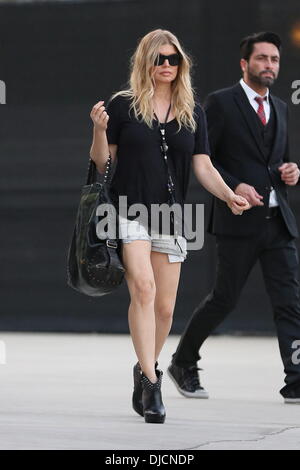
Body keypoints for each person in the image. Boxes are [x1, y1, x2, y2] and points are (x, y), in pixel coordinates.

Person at [89, 29, 249, 424]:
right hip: (128, 210)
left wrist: (228, 195)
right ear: (145, 62)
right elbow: (101, 165)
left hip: (174, 216)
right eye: (158, 58)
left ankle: (143, 368)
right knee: (142, 287)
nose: (166, 65)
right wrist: (97, 129)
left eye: (172, 59)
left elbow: (203, 166)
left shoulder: (192, 110)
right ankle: (152, 381)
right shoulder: (122, 105)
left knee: (164, 308)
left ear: (182, 64)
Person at [168, 31, 300, 404]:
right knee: (224, 299)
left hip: (277, 222)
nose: (269, 65)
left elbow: (275, 163)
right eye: (262, 59)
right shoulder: (221, 104)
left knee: (290, 303)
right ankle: (183, 361)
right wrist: (234, 186)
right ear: (245, 64)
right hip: (237, 221)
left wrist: (290, 172)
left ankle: (296, 378)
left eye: (274, 59)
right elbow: (205, 159)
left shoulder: (282, 108)